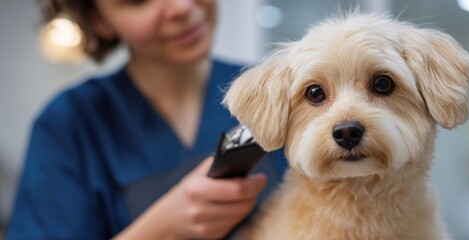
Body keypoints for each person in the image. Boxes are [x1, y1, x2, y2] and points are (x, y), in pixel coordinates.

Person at [7, 0, 286, 239]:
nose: (181, 6)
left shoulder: (271, 93)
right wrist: (161, 229)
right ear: (99, 20)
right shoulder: (69, 125)